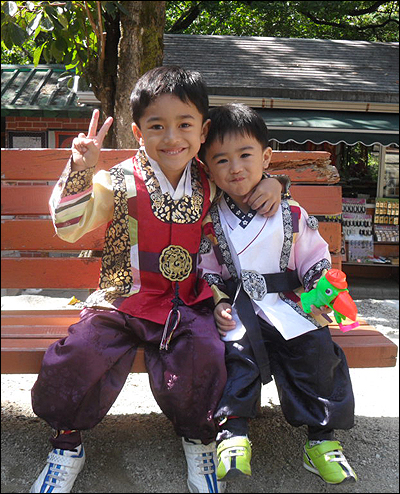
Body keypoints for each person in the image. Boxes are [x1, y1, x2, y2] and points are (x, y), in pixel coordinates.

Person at [30, 66, 286, 494]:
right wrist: (79, 167)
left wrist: (277, 183)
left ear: (203, 131)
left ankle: (200, 437)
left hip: (186, 301)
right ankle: (67, 442)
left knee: (206, 351)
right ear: (137, 131)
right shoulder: (115, 182)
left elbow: (250, 187)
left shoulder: (209, 183)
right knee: (79, 352)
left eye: (184, 124)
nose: (172, 138)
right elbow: (69, 225)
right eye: (157, 126)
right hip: (123, 301)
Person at [197, 103, 357, 486]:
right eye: (221, 160)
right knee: (235, 351)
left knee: (317, 349)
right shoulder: (212, 217)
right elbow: (207, 268)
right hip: (238, 305)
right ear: (206, 167)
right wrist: (218, 299)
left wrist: (324, 287)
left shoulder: (292, 212)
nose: (235, 168)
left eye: (245, 155)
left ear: (266, 157)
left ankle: (321, 439)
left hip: (287, 303)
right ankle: (233, 432)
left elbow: (314, 257)